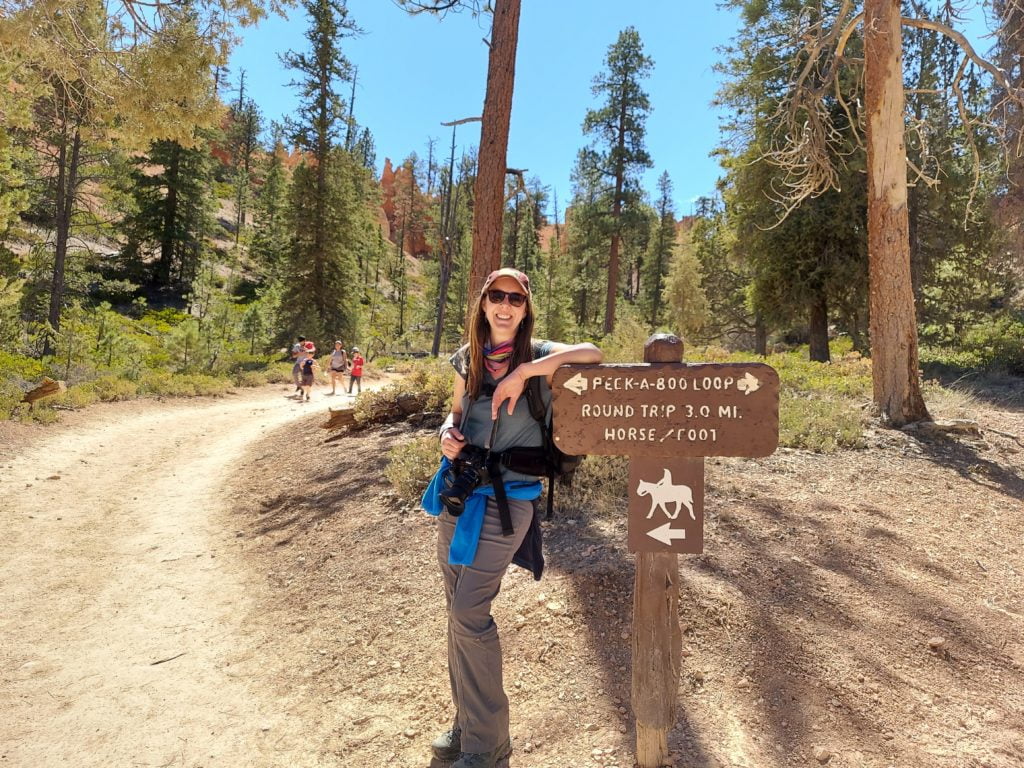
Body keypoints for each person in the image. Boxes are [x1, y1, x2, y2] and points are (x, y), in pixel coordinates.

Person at [421, 268, 602, 768]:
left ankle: (489, 746)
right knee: (456, 609)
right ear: (483, 304)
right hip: (458, 490)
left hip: (509, 500)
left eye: (515, 300)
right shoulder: (467, 359)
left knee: (469, 612)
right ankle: (466, 724)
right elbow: (456, 413)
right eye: (496, 297)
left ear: (525, 310)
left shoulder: (540, 355)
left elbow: (592, 353)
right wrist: (446, 432)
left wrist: (524, 374)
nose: (505, 306)